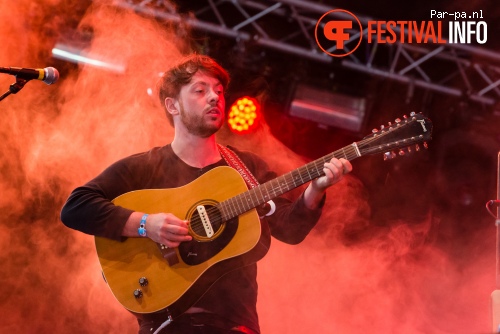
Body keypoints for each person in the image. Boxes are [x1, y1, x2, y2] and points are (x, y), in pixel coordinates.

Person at [60, 54, 352, 334]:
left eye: (219, 91)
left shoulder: (246, 168)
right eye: (200, 91)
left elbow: (290, 229)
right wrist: (145, 224)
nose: (215, 98)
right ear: (173, 106)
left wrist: (316, 188)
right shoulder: (145, 167)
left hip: (235, 325)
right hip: (167, 325)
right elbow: (76, 207)